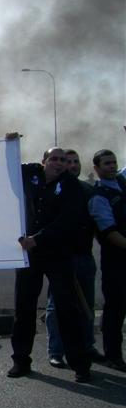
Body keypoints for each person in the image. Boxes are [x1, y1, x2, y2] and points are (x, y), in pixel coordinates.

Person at [9, 147, 91, 382]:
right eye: (54, 159)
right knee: (24, 308)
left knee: (67, 309)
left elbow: (67, 220)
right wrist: (9, 142)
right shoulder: (31, 173)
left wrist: (38, 238)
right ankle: (21, 360)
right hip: (29, 255)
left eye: (63, 160)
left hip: (58, 254)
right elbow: (7, 163)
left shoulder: (71, 185)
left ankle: (80, 364)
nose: (59, 163)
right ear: (44, 161)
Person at [43, 149, 102, 368]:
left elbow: (98, 222)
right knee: (56, 307)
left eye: (76, 161)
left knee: (87, 304)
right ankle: (56, 351)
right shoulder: (53, 190)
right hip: (60, 257)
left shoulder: (88, 190)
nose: (72, 165)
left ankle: (87, 346)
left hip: (84, 255)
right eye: (67, 161)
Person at [88, 149, 126, 372]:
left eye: (113, 162)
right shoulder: (99, 196)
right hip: (116, 259)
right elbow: (109, 231)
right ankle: (113, 355)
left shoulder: (121, 182)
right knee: (116, 308)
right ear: (97, 168)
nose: (111, 166)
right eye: (106, 164)